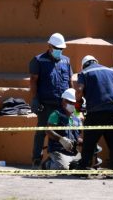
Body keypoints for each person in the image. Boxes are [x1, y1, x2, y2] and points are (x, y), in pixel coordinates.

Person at [76, 55, 113, 178]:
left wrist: (78, 103)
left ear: (84, 64)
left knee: (89, 142)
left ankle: (84, 169)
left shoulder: (84, 73)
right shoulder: (111, 71)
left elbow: (79, 89)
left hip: (95, 113)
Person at [29, 32, 74, 168]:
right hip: (46, 104)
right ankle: (37, 160)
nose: (59, 51)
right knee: (42, 132)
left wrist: (73, 102)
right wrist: (35, 99)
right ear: (49, 46)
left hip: (63, 105)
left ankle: (59, 160)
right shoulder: (38, 60)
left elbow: (70, 81)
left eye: (61, 49)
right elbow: (33, 81)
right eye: (57, 48)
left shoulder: (66, 61)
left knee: (65, 131)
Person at [42, 88, 82, 171]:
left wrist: (84, 142)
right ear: (63, 102)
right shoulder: (56, 114)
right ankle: (47, 164)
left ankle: (71, 164)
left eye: (74, 103)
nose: (73, 105)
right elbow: (48, 130)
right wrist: (61, 139)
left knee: (83, 165)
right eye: (70, 102)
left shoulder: (76, 118)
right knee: (62, 169)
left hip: (73, 151)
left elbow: (78, 137)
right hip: (58, 150)